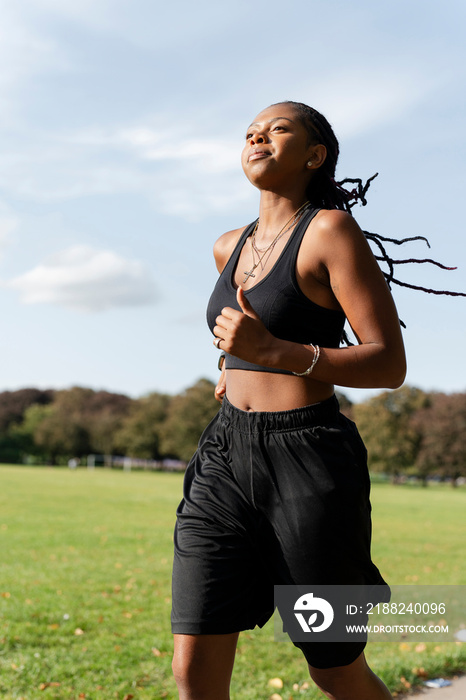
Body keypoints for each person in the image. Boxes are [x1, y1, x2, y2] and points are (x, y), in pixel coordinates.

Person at [171, 101, 406, 700]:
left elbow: (388, 361)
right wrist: (233, 364)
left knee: (334, 667)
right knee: (193, 666)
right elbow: (242, 334)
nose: (257, 136)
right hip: (224, 454)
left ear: (314, 154)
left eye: (278, 129)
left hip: (310, 460)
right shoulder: (229, 246)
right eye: (251, 131)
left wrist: (277, 352)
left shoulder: (330, 232)